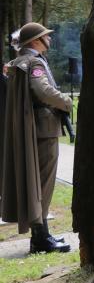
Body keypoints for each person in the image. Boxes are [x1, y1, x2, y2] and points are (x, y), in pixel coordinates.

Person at [1, 22, 72, 253]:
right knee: (43, 185)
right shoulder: (35, 62)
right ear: (35, 41)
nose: (49, 39)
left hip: (34, 130)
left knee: (37, 185)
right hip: (44, 130)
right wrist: (66, 101)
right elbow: (42, 91)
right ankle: (41, 238)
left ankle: (41, 236)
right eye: (45, 36)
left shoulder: (19, 61)